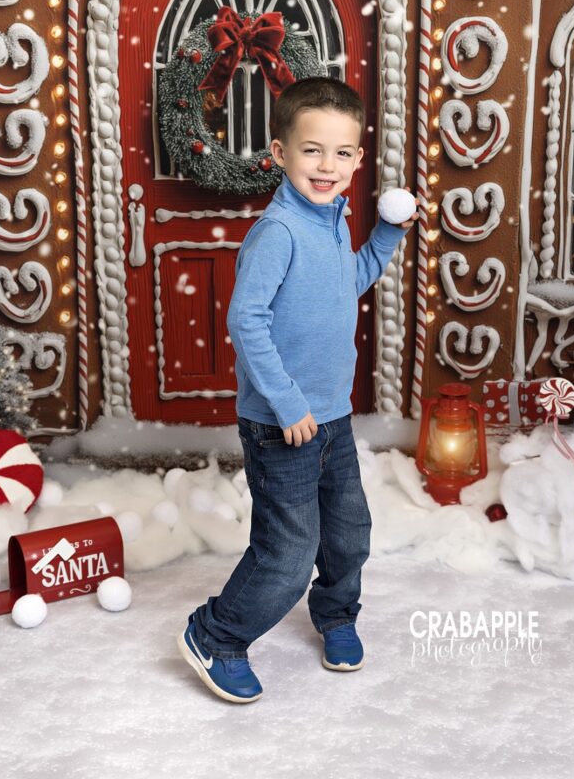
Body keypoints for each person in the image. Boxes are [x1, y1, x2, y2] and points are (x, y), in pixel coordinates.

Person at [178, 77, 418, 703]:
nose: (327, 166)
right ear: (281, 153)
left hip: (330, 417)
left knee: (348, 531)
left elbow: (349, 281)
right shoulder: (279, 230)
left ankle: (336, 615)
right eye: (312, 150)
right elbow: (245, 321)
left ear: (359, 160)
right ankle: (216, 634)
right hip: (282, 421)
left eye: (341, 153)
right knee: (288, 550)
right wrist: (287, 403)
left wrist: (387, 236)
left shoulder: (333, 220)